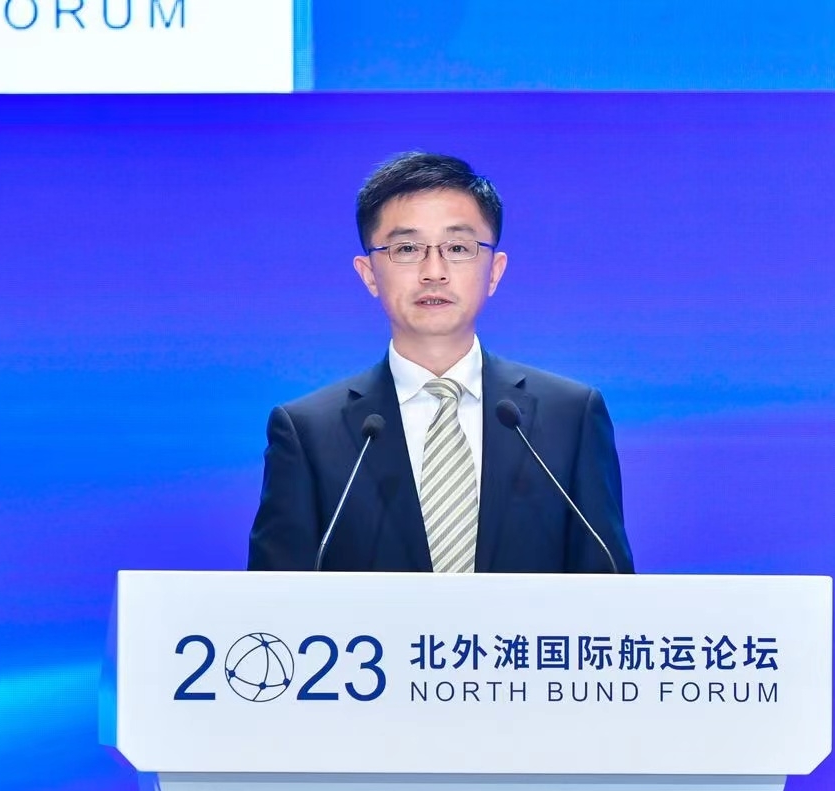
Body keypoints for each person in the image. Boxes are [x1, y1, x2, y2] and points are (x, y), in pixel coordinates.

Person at [247, 151, 635, 574]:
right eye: (407, 248)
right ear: (369, 274)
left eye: (457, 248)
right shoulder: (308, 433)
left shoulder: (571, 417)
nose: (434, 271)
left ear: (494, 271)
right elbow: (274, 600)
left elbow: (608, 587)